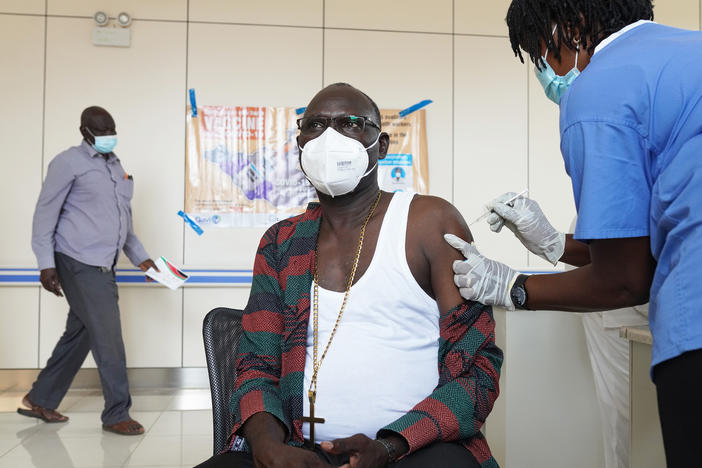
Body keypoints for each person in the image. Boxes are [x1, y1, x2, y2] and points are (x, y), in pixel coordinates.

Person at [445, 1, 702, 466]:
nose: (547, 69)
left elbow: (626, 279)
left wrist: (512, 288)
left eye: (542, 51)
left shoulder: (600, 88)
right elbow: (650, 234)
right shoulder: (688, 54)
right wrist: (555, 243)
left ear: (573, 26)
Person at [195, 83, 503, 468]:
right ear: (300, 144)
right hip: (299, 449)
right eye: (316, 126)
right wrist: (269, 448)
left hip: (412, 449)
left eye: (351, 124)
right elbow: (256, 366)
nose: (330, 138)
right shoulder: (280, 242)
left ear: (382, 144)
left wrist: (390, 445)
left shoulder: (429, 222)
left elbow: (478, 370)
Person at [20, 106, 157, 436]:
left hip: (104, 264)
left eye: (112, 128)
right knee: (108, 337)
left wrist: (143, 260)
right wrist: (46, 264)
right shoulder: (68, 163)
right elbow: (44, 216)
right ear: (85, 132)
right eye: (102, 129)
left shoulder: (116, 167)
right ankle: (115, 413)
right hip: (76, 260)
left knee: (80, 333)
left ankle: (40, 398)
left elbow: (124, 225)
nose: (109, 134)